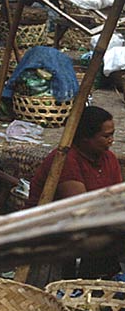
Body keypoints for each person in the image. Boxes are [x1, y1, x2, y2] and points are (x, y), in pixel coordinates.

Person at [27, 106, 122, 279]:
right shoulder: (65, 159)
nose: (111, 141)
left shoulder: (109, 159)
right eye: (106, 136)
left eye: (112, 135)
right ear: (85, 138)